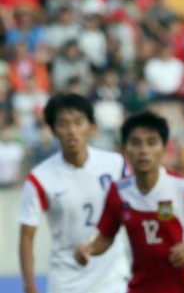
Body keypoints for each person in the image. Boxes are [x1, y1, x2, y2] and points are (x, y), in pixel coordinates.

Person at [74, 111, 184, 293]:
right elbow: (106, 236)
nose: (143, 150)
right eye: (135, 143)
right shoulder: (118, 192)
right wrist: (89, 249)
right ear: (125, 149)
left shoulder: (183, 188)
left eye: (151, 143)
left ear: (163, 148)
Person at [18, 94, 130, 293]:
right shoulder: (40, 177)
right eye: (63, 124)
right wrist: (29, 286)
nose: (72, 131)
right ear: (53, 131)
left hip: (112, 278)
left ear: (91, 127)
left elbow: (134, 210)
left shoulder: (115, 165)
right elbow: (27, 237)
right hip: (66, 281)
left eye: (78, 122)